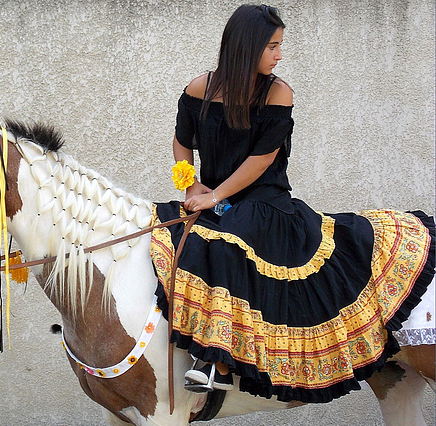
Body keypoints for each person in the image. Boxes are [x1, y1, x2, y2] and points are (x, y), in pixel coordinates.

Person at [149, 4, 435, 401]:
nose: (279, 55)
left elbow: (262, 159)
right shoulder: (200, 87)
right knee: (168, 233)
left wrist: (215, 195)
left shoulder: (279, 92)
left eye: (279, 46)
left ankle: (215, 360)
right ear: (247, 47)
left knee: (231, 240)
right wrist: (191, 183)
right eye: (273, 46)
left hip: (265, 202)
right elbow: (182, 141)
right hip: (214, 199)